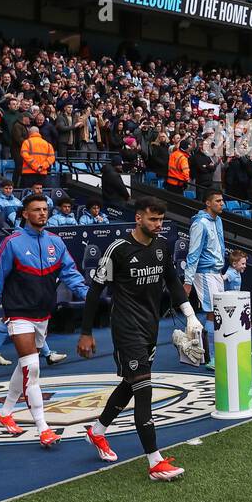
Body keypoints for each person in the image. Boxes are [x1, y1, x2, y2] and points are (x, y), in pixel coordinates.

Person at [77, 197, 205, 481]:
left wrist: (190, 314)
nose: (158, 225)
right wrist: (85, 332)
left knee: (130, 383)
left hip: (150, 328)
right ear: (138, 218)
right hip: (126, 328)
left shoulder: (161, 247)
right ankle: (155, 462)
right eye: (153, 220)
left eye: (161, 220)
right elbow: (95, 291)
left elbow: (172, 281)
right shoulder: (118, 250)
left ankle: (97, 431)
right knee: (144, 388)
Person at [0, 194, 89, 446]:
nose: (42, 213)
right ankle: (43, 427)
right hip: (18, 313)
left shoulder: (55, 242)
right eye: (36, 210)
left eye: (44, 209)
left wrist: (88, 295)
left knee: (26, 367)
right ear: (25, 214)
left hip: (42, 314)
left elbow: (70, 273)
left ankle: (5, 413)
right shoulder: (11, 243)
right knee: (32, 368)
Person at [183, 189, 227, 370]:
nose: (222, 203)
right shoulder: (200, 223)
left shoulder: (219, 221)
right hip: (205, 273)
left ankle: (196, 345)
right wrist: (187, 281)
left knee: (216, 313)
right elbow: (193, 254)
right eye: (217, 201)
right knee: (214, 313)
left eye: (222, 201)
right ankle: (212, 358)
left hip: (216, 273)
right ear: (208, 203)